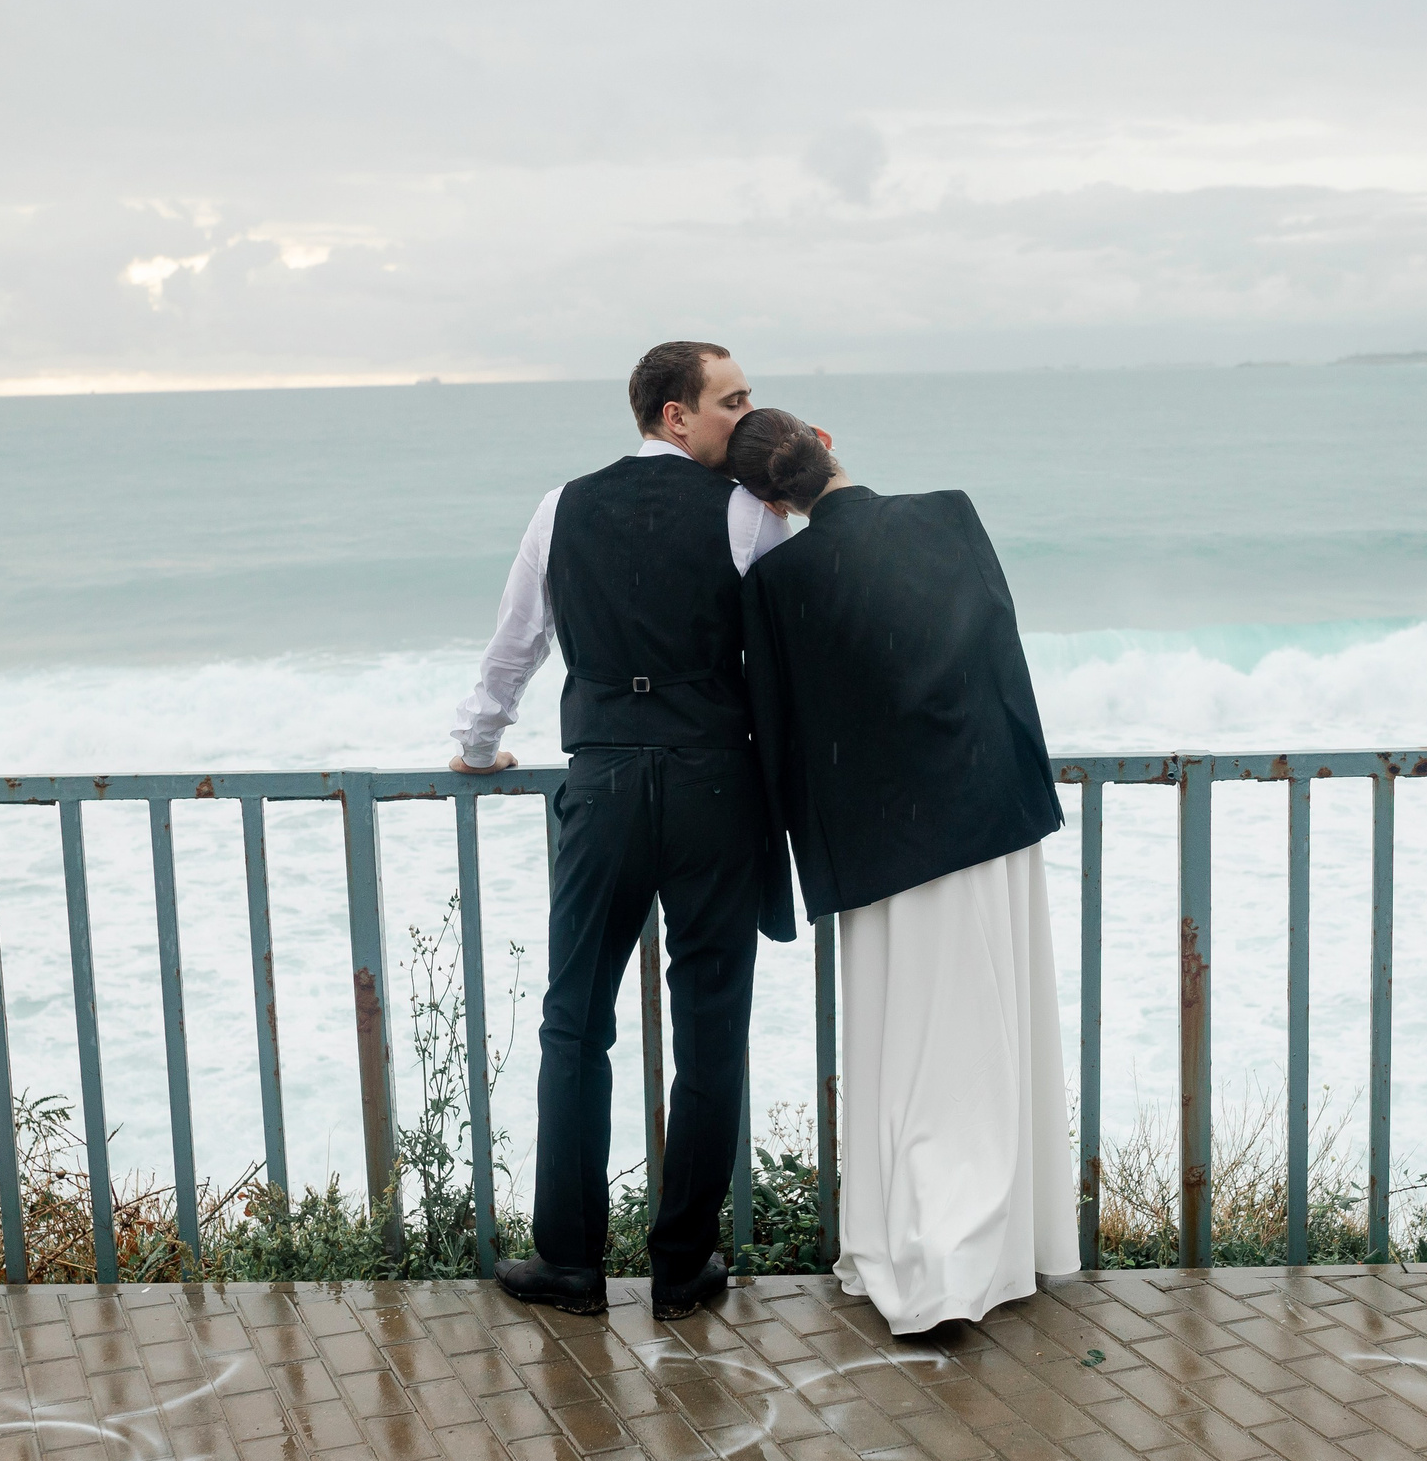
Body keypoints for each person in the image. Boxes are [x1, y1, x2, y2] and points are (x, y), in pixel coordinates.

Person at [451, 342, 796, 1321]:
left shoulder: (561, 507)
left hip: (601, 783)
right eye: (730, 401)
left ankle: (569, 1262)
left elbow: (515, 645)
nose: (745, 417)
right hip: (713, 786)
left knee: (575, 1024)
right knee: (711, 1025)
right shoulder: (744, 511)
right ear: (674, 416)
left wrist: (478, 747)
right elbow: (793, 641)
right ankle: (683, 1268)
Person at [729, 407, 1079, 1333]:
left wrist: (793, 863)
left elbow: (782, 733)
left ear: (767, 499)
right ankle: (997, 1251)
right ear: (826, 441)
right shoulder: (949, 513)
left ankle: (934, 1263)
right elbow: (998, 650)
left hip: (886, 846)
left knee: (915, 1049)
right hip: (994, 814)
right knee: (993, 1034)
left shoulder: (779, 580)